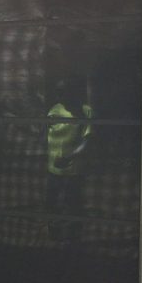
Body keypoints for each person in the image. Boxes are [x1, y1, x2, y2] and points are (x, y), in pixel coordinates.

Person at [46, 76, 93, 243]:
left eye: (64, 91)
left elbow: (87, 139)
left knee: (73, 202)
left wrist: (71, 156)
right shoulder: (54, 109)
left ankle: (74, 236)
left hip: (74, 170)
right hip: (53, 168)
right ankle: (54, 234)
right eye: (58, 92)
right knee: (52, 202)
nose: (61, 95)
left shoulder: (86, 111)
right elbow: (45, 133)